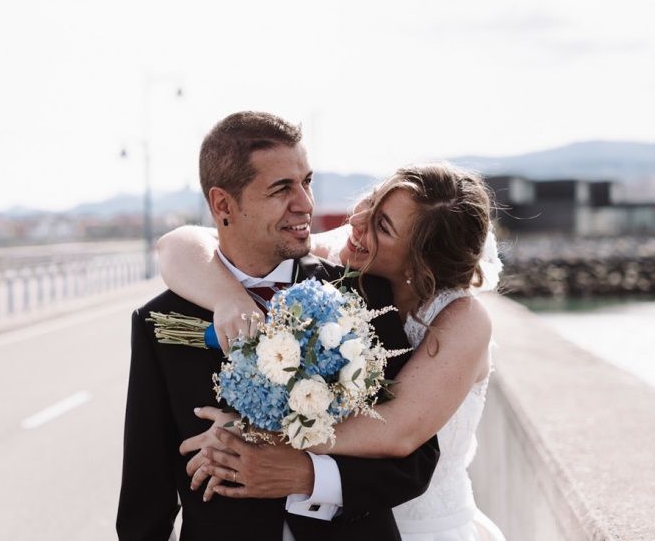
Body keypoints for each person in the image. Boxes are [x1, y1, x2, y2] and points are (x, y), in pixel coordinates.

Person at [116, 111, 439, 541]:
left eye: (306, 181)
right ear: (223, 205)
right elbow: (145, 500)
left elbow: (417, 460)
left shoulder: (363, 297)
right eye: (281, 188)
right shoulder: (161, 323)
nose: (305, 203)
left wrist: (307, 476)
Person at [159, 162, 506, 541]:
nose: (357, 220)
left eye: (383, 226)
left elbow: (396, 432)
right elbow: (176, 246)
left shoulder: (463, 320)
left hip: (426, 530)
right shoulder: (344, 253)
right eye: (371, 201)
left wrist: (250, 433)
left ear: (421, 264)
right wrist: (228, 299)